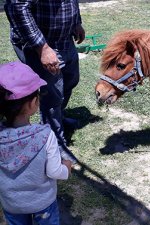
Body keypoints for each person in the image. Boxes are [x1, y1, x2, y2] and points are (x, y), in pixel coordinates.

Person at [4, 0, 86, 163]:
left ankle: (59, 118)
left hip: (64, 40)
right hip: (38, 44)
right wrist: (42, 48)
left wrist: (77, 22)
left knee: (71, 80)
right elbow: (17, 7)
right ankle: (55, 143)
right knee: (52, 94)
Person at [0, 61, 72, 225]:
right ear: (33, 103)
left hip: (11, 205)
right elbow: (55, 172)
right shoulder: (45, 136)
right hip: (42, 203)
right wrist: (67, 167)